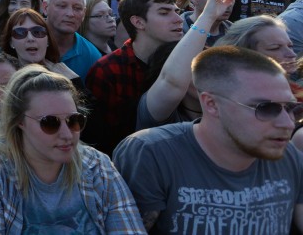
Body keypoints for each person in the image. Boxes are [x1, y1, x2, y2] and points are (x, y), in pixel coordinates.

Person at [114, 47, 303, 233]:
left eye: (290, 108)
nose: (287, 124)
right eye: (265, 108)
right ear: (212, 104)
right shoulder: (152, 153)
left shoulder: (289, 156)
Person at [0, 65, 144, 233]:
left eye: (74, 121)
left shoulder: (97, 164)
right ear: (20, 122)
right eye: (50, 123)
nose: (67, 134)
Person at [83, 0, 184, 155]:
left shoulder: (188, 59)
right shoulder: (108, 70)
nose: (178, 19)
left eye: (177, 11)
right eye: (164, 12)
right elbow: (100, 141)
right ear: (138, 22)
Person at [136, 0, 236, 130]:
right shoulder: (158, 110)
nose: (207, 76)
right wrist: (208, 16)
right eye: (195, 71)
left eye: (210, 69)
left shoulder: (232, 111)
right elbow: (172, 81)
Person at [43, 0, 100, 80]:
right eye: (62, 6)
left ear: (84, 13)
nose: (70, 14)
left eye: (77, 8)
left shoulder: (92, 57)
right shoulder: (23, 41)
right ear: (45, 8)